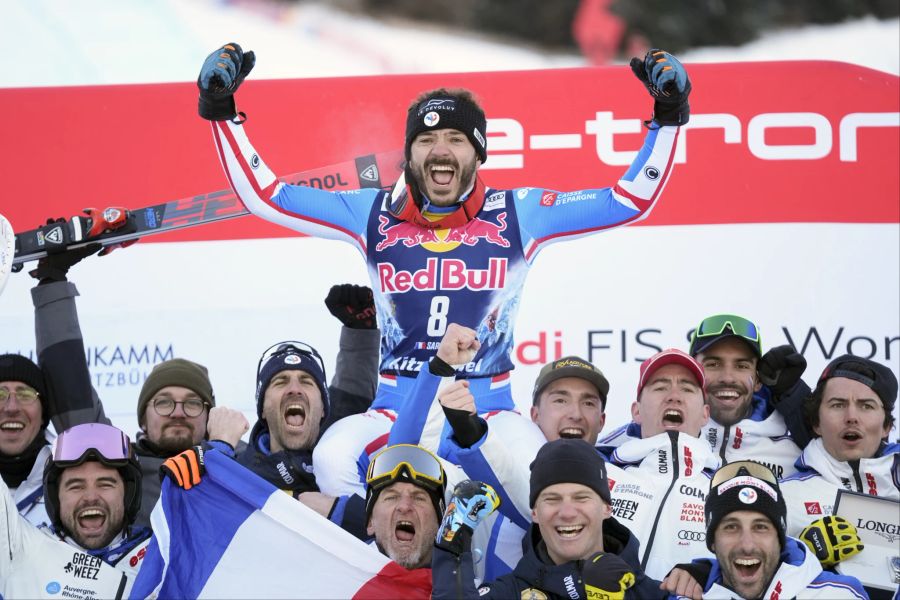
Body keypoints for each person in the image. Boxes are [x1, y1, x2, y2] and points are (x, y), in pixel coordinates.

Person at [196, 42, 692, 496]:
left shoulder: (519, 212)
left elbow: (628, 200)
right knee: (332, 458)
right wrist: (222, 114)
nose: (439, 150)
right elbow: (267, 196)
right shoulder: (372, 214)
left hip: (490, 407)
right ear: (409, 154)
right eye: (426, 139)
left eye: (455, 138)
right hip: (394, 405)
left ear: (477, 153)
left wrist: (667, 119)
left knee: (545, 480)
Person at [29, 240, 379, 526]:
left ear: (211, 417)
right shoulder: (120, 471)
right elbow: (71, 391)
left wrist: (361, 335)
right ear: (141, 419)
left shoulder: (243, 463)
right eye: (163, 402)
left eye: (193, 403)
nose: (178, 412)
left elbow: (342, 411)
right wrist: (53, 285)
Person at [431, 438, 664, 599]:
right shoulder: (511, 593)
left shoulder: (648, 592)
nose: (567, 512)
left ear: (606, 507)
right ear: (535, 513)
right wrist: (450, 549)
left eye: (581, 498)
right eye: (552, 499)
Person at [600, 313, 809, 478]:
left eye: (741, 365)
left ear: (758, 380)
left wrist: (795, 397)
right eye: (713, 364)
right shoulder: (642, 432)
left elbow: (838, 458)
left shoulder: (797, 444)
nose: (727, 377)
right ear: (694, 371)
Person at [780, 355, 898, 599]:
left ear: (886, 426)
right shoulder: (783, 496)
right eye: (838, 404)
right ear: (816, 423)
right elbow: (747, 574)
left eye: (866, 405)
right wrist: (802, 552)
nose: (851, 416)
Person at [673, 460, 868, 599]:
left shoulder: (839, 594)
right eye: (731, 527)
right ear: (712, 541)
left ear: (780, 537)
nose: (747, 545)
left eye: (761, 527)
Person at [1, 422, 151, 597]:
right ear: (56, 498)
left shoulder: (163, 558)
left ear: (128, 495)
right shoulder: (22, 551)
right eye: (75, 486)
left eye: (105, 484)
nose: (91, 496)